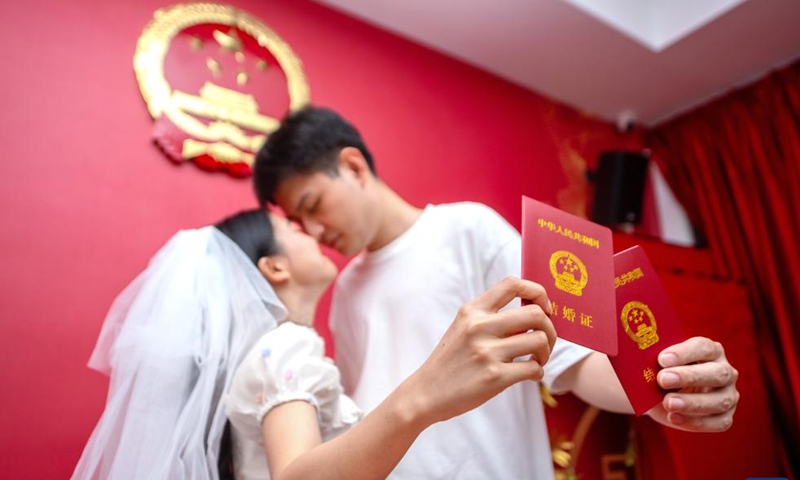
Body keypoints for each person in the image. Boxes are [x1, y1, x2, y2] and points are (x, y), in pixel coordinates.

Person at [252, 105, 741, 479]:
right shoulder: (344, 292)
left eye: (313, 205)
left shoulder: (467, 230)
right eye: (297, 222)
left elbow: (571, 355)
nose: (313, 230)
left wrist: (659, 392)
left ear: (354, 167)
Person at [71, 209, 559, 480]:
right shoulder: (286, 348)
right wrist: (424, 396)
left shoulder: (271, 353)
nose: (311, 232)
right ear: (275, 267)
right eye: (293, 228)